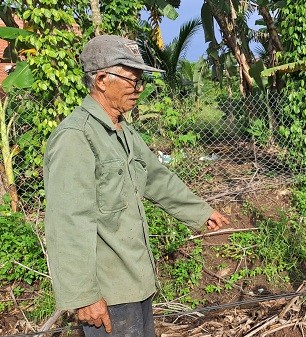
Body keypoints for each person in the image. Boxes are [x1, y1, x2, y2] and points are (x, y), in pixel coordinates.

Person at [43, 34, 230, 337]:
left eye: (141, 80)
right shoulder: (76, 138)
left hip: (134, 280)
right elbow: (68, 222)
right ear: (102, 79)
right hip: (107, 292)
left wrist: (200, 212)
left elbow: (156, 177)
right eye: (132, 80)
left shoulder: (123, 132)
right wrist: (84, 296)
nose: (139, 89)